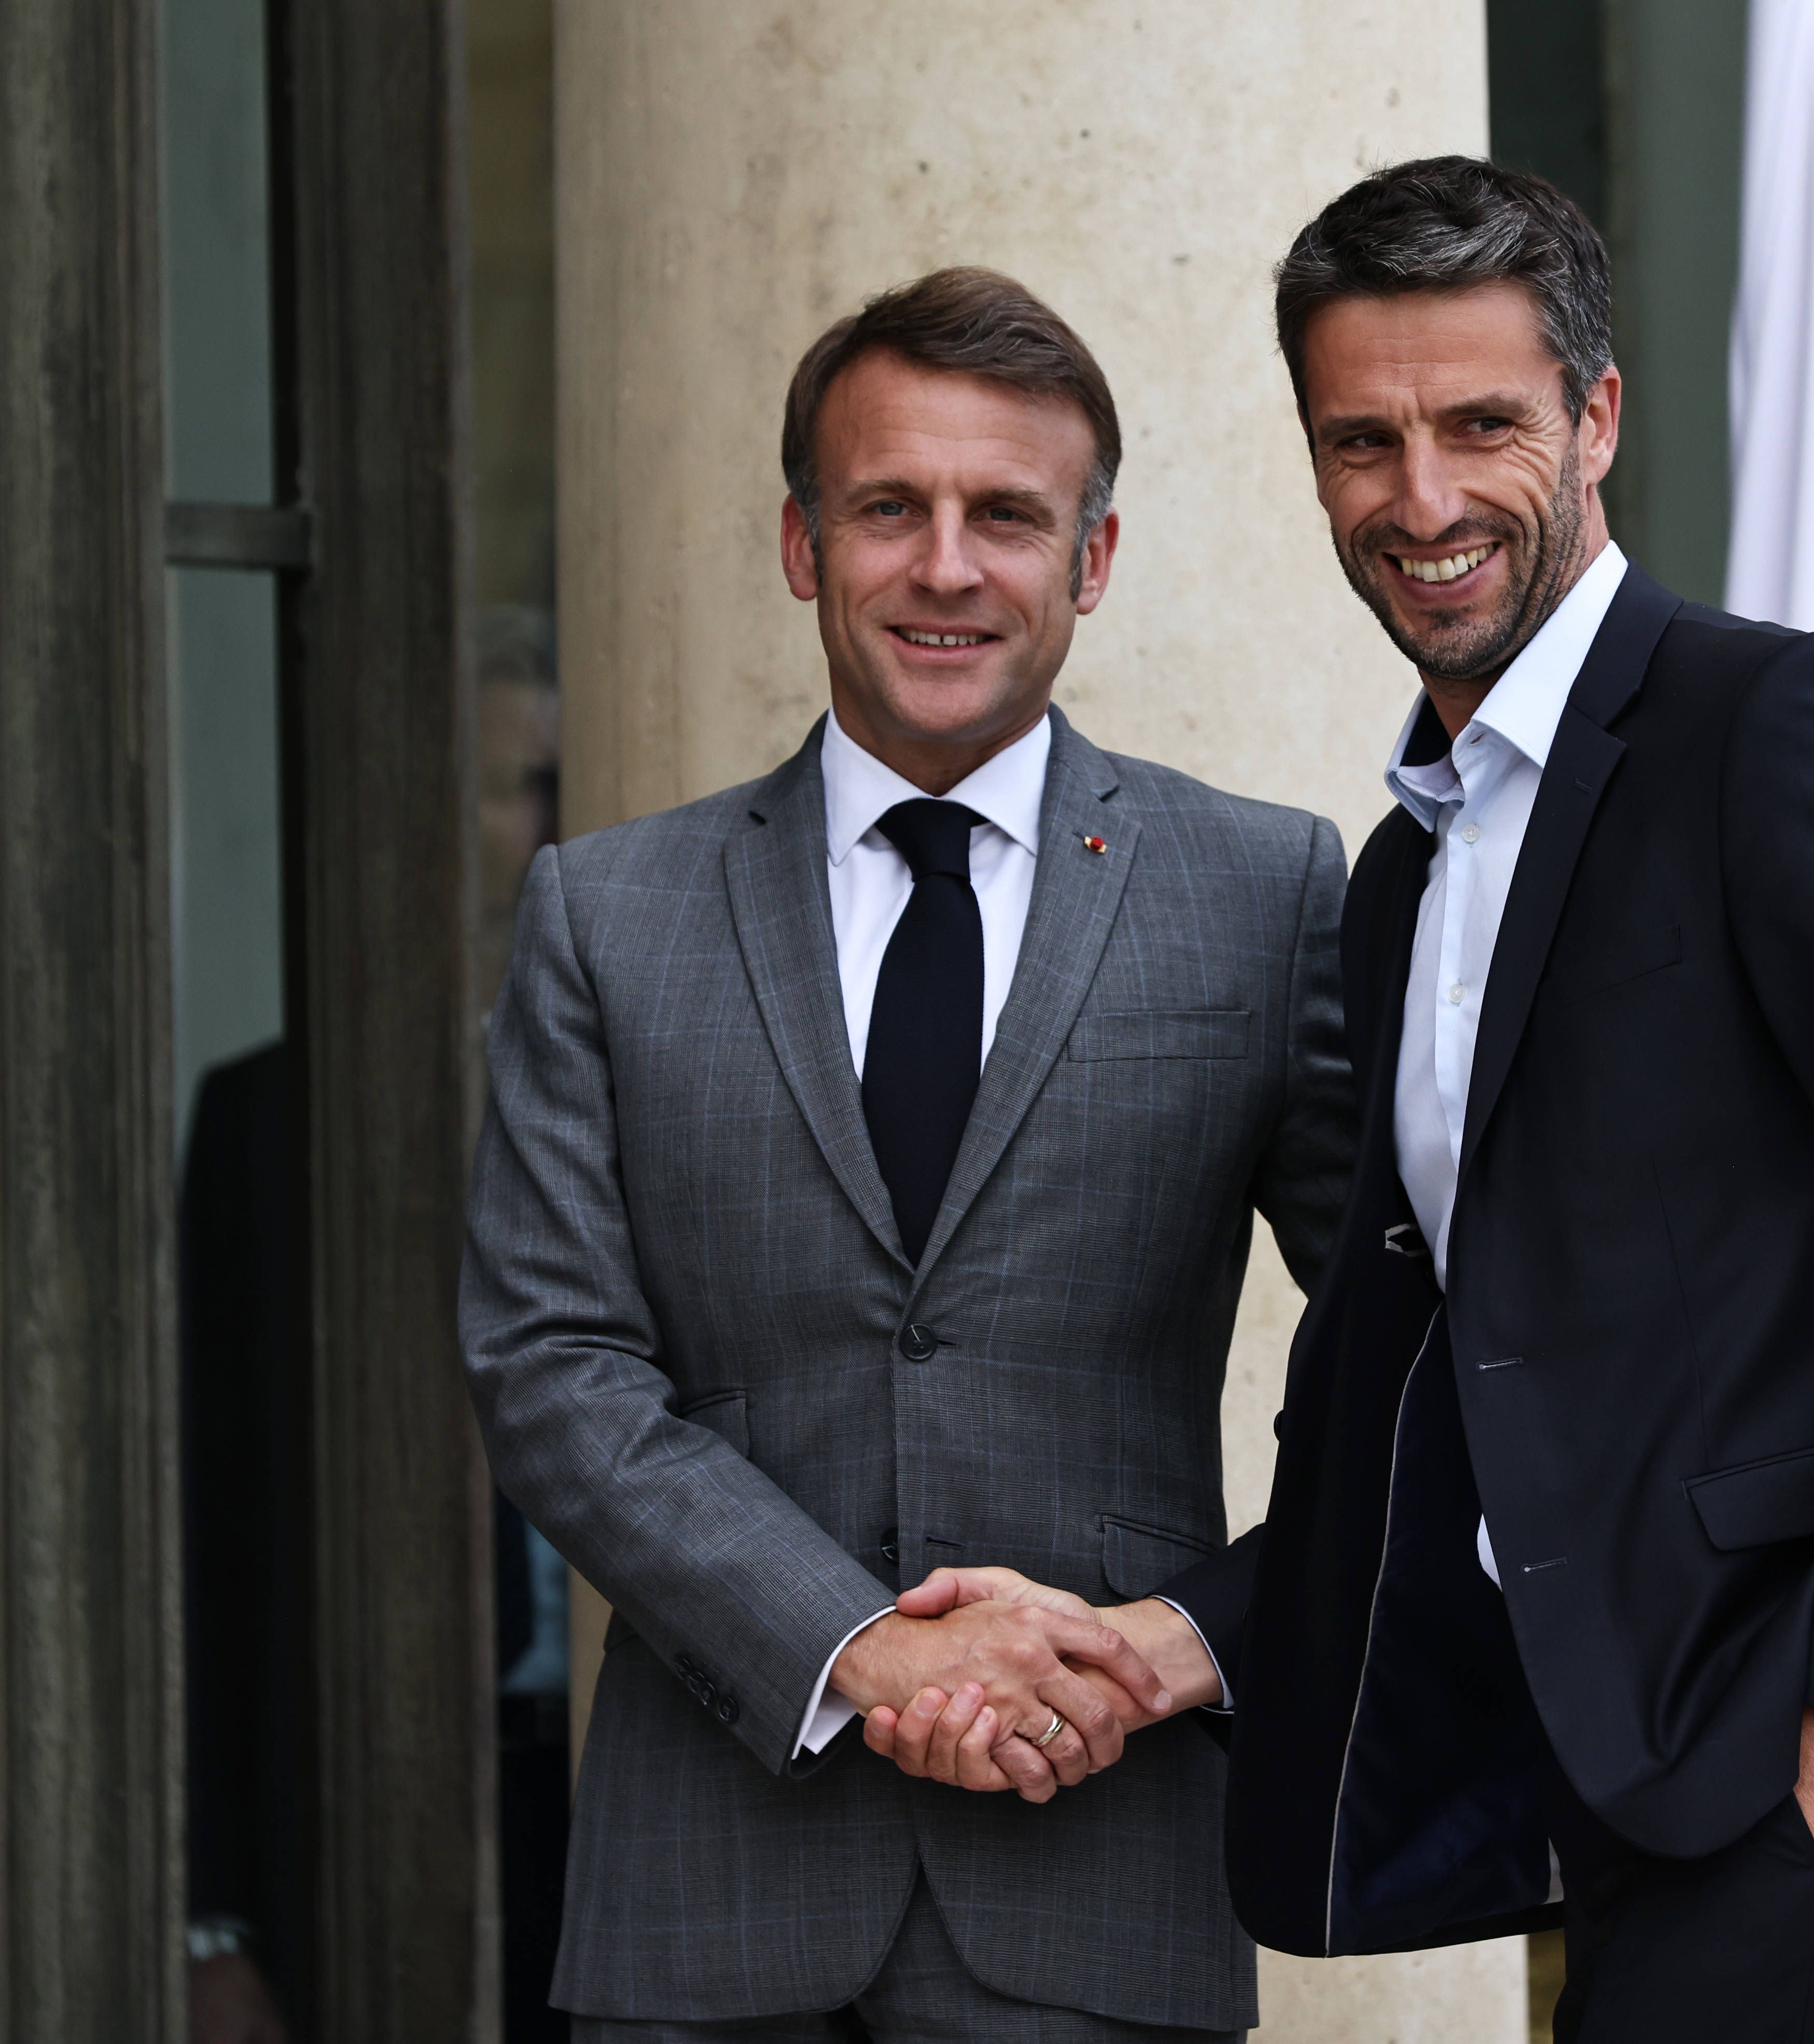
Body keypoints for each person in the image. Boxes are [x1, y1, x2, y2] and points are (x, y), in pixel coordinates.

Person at [867, 158, 1814, 2042]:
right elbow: (1439, 1389)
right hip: (1624, 1764)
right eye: (1362, 442)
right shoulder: (1404, 874)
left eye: (1479, 426)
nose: (1422, 501)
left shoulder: (1777, 731)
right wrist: (1179, 1640)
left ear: (1595, 420)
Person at [459, 266, 1353, 2042]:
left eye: (1006, 516)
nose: (946, 566)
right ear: (804, 545)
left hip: (1098, 1866)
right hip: (704, 1907)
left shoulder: (1263, 895)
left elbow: (1411, 1360)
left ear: (1089, 562)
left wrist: (1189, 1636)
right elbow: (549, 1364)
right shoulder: (606, 913)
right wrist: (864, 1647)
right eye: (890, 508)